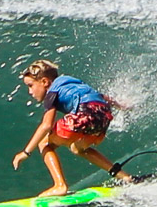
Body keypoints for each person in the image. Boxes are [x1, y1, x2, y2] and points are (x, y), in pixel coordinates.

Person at [11, 59, 134, 196]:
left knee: (44, 143)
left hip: (84, 113)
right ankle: (124, 177)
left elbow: (46, 125)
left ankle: (59, 185)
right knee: (78, 148)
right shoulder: (72, 82)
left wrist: (25, 152)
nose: (30, 91)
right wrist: (121, 106)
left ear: (45, 82)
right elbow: (100, 96)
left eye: (30, 85)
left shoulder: (51, 92)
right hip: (103, 117)